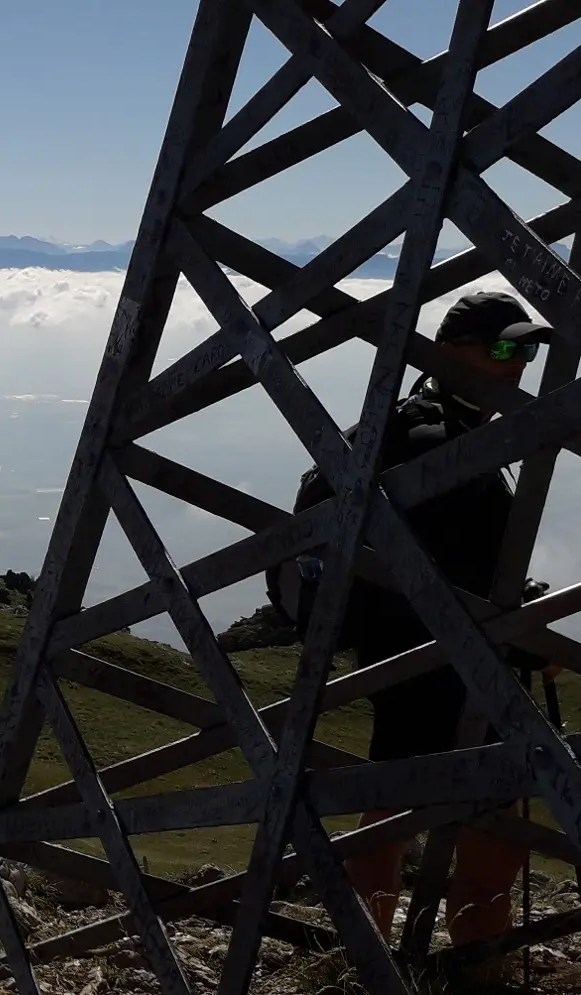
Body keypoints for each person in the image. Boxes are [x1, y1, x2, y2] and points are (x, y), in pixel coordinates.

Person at [270, 290, 557, 969]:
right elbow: (458, 575)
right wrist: (522, 631)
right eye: (503, 347)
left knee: (392, 808)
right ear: (450, 351)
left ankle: (364, 964)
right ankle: (469, 973)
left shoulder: (399, 427)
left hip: (396, 659)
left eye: (524, 351)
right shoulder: (447, 446)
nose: (514, 364)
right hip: (451, 666)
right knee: (494, 829)